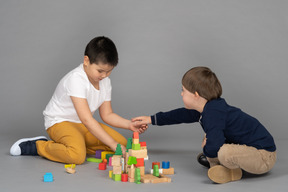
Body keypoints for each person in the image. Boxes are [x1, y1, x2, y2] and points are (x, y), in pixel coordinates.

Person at [10, 36, 147, 164]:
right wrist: (112, 144)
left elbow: (107, 114)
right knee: (77, 156)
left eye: (109, 71)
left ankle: (73, 144)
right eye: (100, 71)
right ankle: (39, 146)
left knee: (121, 143)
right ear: (86, 61)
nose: (104, 75)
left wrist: (129, 124)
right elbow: (87, 119)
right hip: (59, 122)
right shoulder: (76, 79)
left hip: (82, 125)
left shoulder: (105, 81)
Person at [132, 66, 276, 184]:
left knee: (220, 150)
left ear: (195, 95)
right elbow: (178, 115)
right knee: (212, 144)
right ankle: (222, 165)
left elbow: (214, 144)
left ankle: (230, 171)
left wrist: (208, 149)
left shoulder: (214, 113)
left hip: (263, 156)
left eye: (183, 90)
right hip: (248, 150)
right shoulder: (206, 107)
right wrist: (151, 119)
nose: (181, 94)